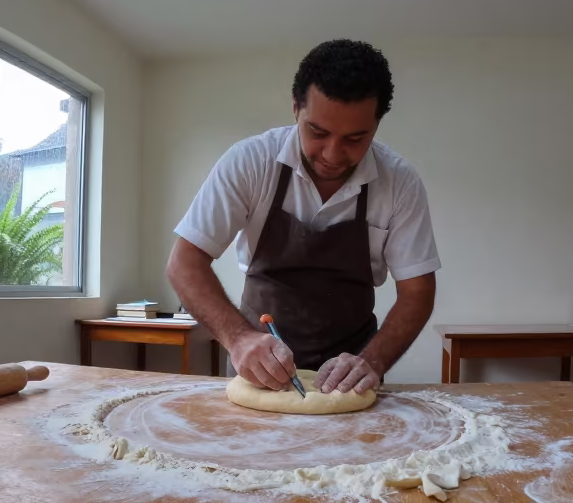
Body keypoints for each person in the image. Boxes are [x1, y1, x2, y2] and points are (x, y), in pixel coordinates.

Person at [166, 40, 440, 395]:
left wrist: (372, 361)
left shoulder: (399, 182)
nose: (332, 154)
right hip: (258, 370)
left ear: (377, 124)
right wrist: (239, 338)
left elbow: (417, 291)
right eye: (318, 132)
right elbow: (184, 263)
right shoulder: (251, 162)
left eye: (356, 138)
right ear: (296, 107)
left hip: (352, 378)